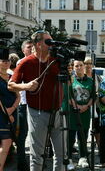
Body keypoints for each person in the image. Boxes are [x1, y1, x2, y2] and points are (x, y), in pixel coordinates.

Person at [8, 30, 64, 171]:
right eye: (48, 41)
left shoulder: (56, 61)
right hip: (37, 113)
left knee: (62, 154)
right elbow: (11, 85)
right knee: (37, 155)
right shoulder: (26, 62)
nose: (51, 44)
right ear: (38, 44)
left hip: (58, 112)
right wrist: (26, 86)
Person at [68, 60, 94, 168]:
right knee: (70, 135)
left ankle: (82, 157)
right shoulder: (71, 80)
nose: (78, 67)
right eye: (76, 66)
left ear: (84, 66)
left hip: (85, 112)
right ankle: (68, 158)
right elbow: (68, 95)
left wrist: (86, 106)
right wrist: (76, 106)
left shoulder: (90, 81)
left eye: (80, 65)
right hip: (73, 112)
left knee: (83, 134)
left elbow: (93, 96)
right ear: (73, 67)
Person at [0, 58, 20, 171]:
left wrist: (12, 110)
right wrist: (7, 113)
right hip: (2, 114)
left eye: (7, 60)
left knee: (8, 143)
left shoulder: (12, 77)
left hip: (11, 114)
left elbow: (19, 96)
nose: (6, 62)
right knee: (6, 142)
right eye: (3, 60)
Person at [16, 39, 33, 171]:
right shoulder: (21, 63)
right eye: (28, 47)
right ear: (23, 50)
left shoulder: (36, 62)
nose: (31, 49)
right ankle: (22, 163)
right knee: (23, 135)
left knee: (35, 135)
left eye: (32, 47)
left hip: (35, 104)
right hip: (24, 104)